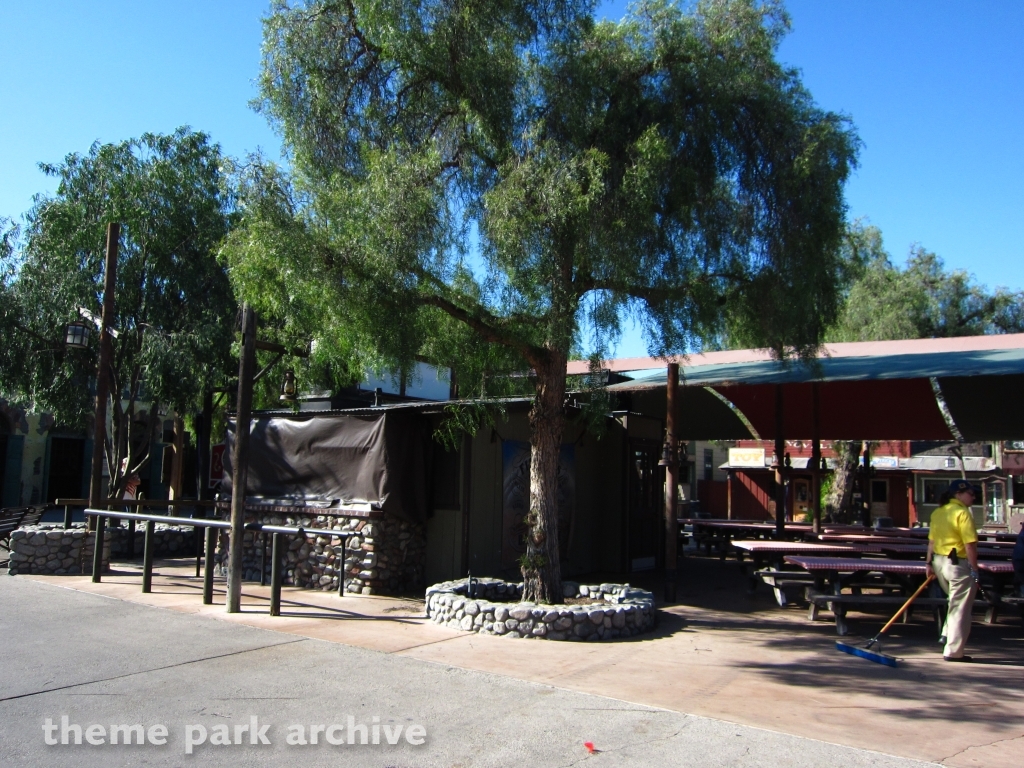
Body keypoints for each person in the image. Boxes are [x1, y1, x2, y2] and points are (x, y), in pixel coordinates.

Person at [926, 479, 979, 662]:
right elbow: (969, 544)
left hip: (939, 562)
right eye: (970, 494)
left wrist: (928, 564)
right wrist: (974, 569)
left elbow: (932, 541)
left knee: (954, 601)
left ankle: (946, 633)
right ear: (958, 494)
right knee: (960, 607)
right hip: (958, 563)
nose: (973, 497)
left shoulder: (938, 512)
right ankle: (954, 651)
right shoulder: (962, 513)